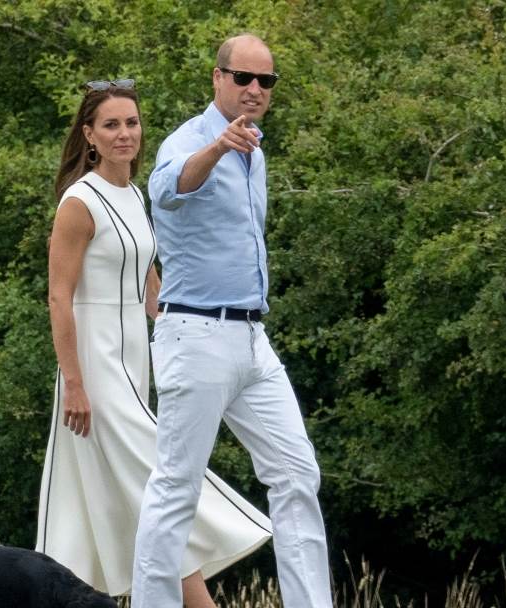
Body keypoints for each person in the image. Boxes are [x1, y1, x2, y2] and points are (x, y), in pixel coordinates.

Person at [36, 78, 272, 607]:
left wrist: (182, 335)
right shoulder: (79, 202)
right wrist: (74, 383)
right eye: (111, 125)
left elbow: (150, 285)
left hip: (134, 362)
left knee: (136, 502)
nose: (125, 134)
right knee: (161, 489)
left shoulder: (135, 194)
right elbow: (58, 297)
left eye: (132, 123)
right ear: (89, 135)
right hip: (94, 367)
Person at [130, 35, 334, 608]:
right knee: (177, 486)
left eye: (266, 81)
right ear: (217, 78)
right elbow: (167, 189)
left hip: (251, 338)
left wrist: (233, 147)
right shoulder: (190, 141)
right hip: (195, 334)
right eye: (243, 77)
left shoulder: (255, 152)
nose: (254, 89)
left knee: (297, 474)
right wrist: (219, 146)